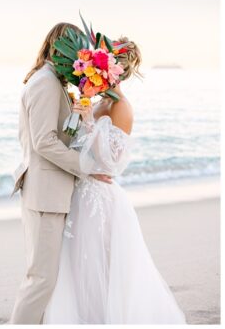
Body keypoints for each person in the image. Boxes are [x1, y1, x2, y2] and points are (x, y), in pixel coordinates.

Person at [44, 39, 185, 323]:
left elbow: (112, 162)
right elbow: (83, 146)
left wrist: (87, 122)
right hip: (81, 191)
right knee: (78, 264)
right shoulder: (101, 101)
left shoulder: (122, 107)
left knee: (98, 264)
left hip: (101, 196)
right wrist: (76, 118)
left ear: (114, 71)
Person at [10, 23, 113, 324]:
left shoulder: (52, 81)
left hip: (50, 192)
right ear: (63, 48)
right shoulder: (44, 82)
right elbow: (43, 141)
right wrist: (86, 168)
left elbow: (57, 135)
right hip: (45, 195)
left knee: (43, 279)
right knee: (40, 281)